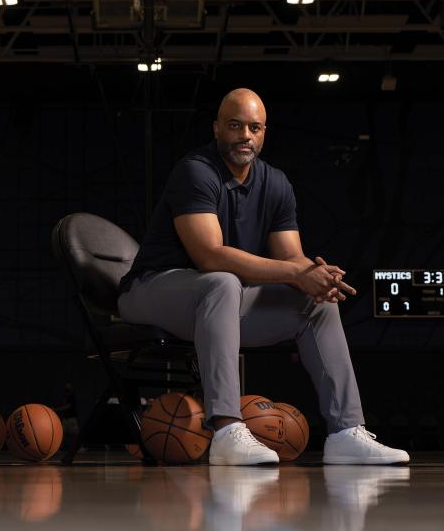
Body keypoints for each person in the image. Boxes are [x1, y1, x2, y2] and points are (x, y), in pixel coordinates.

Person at [118, 88, 409, 466]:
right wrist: (294, 271)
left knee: (313, 304)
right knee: (222, 280)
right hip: (152, 289)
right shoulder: (196, 171)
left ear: (264, 132)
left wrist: (313, 274)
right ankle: (225, 429)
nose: (245, 135)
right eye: (235, 125)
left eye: (254, 127)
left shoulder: (275, 183)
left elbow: (290, 255)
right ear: (218, 128)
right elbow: (208, 256)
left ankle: (345, 432)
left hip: (218, 301)